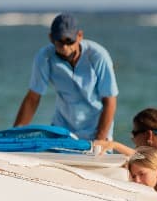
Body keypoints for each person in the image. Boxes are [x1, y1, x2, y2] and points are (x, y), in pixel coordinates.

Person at [13, 13, 119, 145]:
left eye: (69, 41)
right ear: (51, 38)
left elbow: (110, 101)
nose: (65, 47)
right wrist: (15, 135)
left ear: (79, 36)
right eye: (60, 42)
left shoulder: (98, 56)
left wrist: (100, 140)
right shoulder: (45, 57)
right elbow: (33, 98)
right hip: (63, 132)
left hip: (97, 131)